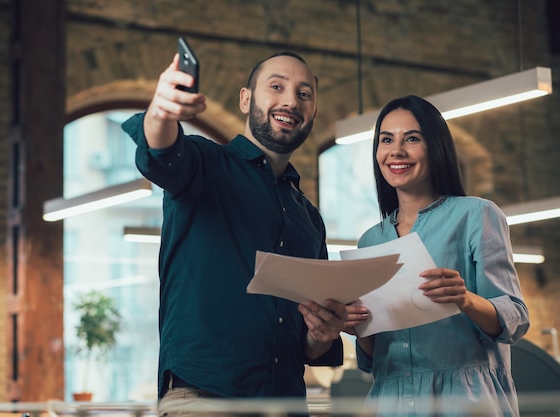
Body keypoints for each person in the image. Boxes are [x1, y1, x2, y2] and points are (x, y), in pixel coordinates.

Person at [122, 50, 347, 416]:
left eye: (304, 94)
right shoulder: (205, 165)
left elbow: (307, 345)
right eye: (277, 86)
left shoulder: (309, 219)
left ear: (313, 114)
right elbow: (161, 154)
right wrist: (161, 112)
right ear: (246, 99)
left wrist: (322, 334)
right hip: (205, 400)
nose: (291, 100)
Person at [342, 95, 530, 416]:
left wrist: (464, 299)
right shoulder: (369, 240)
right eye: (386, 140)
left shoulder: (476, 214)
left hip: (466, 401)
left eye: (412, 139)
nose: (396, 151)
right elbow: (375, 358)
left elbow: (514, 317)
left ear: (436, 147)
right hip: (390, 402)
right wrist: (358, 326)